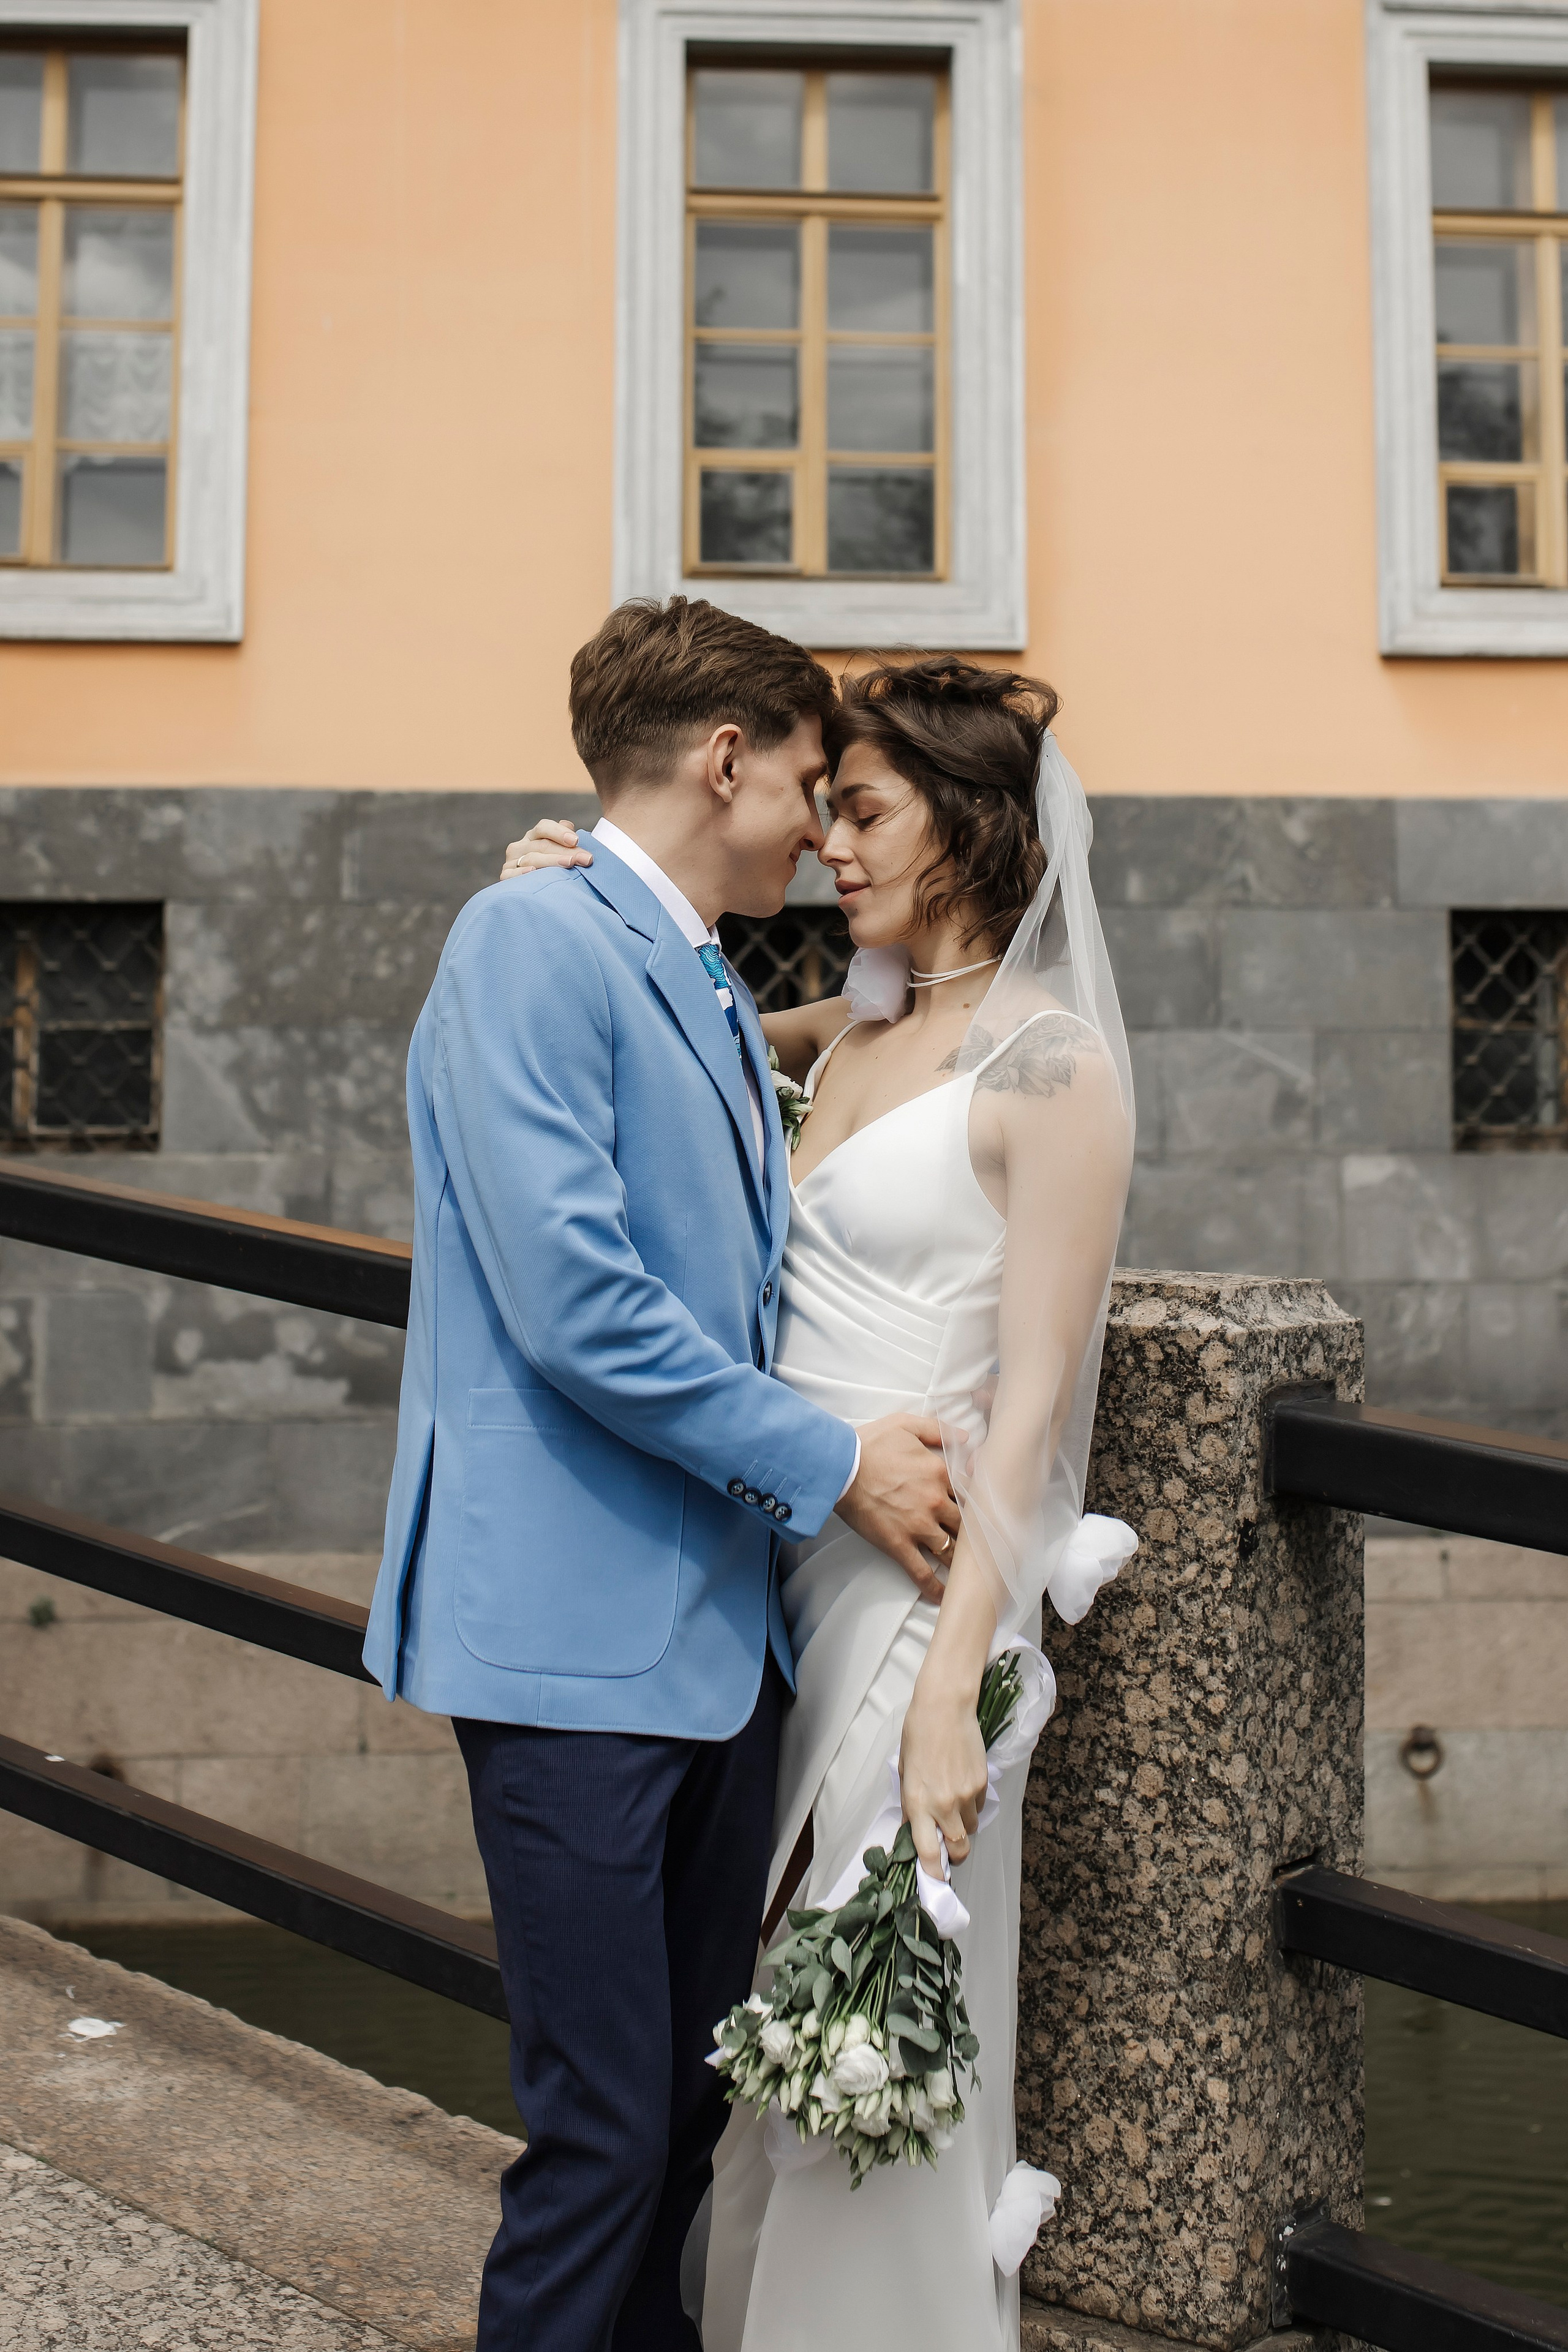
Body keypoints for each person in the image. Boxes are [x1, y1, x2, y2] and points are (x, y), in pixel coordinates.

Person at [502, 655, 1136, 2351]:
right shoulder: (854, 1028)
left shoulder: (1051, 1067)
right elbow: (680, 1015)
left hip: (914, 1602)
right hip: (772, 1583)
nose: (830, 845)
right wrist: (567, 905)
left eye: (865, 812)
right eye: (827, 807)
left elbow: (1032, 1415)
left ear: (978, 827)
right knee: (759, 2057)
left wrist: (954, 1696)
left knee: (865, 2051)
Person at [361, 598, 962, 2352]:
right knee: (606, 2132)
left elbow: (754, 1074)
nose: (821, 825)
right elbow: (579, 1307)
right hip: (569, 1643)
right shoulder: (528, 939)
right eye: (806, 784)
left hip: (707, 1642)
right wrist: (836, 1459)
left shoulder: (669, 948)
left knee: (685, 2129)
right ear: (724, 760)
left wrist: (936, 1006)